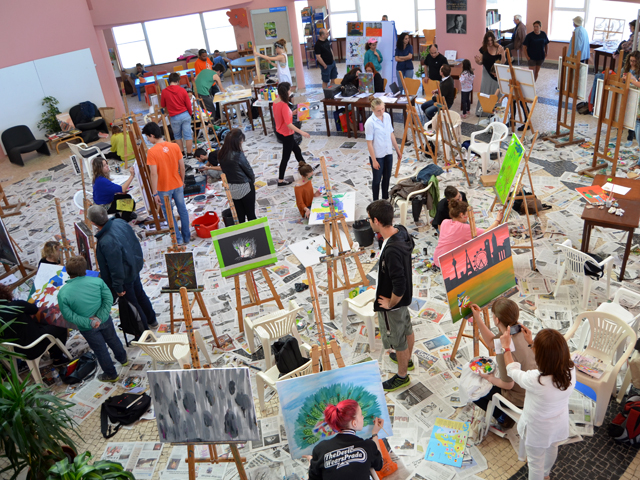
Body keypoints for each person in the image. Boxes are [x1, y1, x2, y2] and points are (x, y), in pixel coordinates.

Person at [500, 328, 576, 480]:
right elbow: (550, 356)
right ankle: (546, 474)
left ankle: (541, 476)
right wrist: (532, 342)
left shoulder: (536, 379)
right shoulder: (570, 369)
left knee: (535, 463)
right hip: (558, 423)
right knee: (552, 448)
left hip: (538, 429)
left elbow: (511, 369)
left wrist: (506, 347)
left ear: (540, 357)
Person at [367, 200, 414, 391]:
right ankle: (407, 360)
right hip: (404, 302)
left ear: (376, 221)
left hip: (395, 304)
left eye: (370, 219)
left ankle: (402, 376)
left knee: (398, 339)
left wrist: (391, 303)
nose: (369, 222)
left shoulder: (392, 251)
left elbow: (399, 285)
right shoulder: (401, 231)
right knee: (407, 328)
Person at [87, 205, 158, 330]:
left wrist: (118, 287)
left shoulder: (106, 241)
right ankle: (152, 320)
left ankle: (143, 332)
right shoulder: (120, 222)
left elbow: (115, 266)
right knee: (140, 294)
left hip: (125, 275)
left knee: (132, 303)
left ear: (93, 223)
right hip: (133, 265)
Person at [58, 256, 127, 382]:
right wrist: (100, 317)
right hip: (105, 320)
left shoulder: (63, 293)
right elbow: (108, 299)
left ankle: (111, 375)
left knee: (100, 350)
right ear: (85, 269)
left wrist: (90, 322)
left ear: (68, 272)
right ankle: (123, 359)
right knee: (113, 340)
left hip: (87, 327)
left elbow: (68, 316)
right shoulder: (98, 282)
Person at [469, 300, 537, 429]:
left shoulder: (504, 347)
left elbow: (508, 384)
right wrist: (477, 317)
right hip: (533, 389)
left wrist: (488, 378)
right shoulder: (521, 330)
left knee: (473, 390)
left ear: (496, 320)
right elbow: (491, 342)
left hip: (520, 399)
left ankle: (502, 416)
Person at [308, 400, 384, 479]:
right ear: (354, 423)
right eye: (361, 415)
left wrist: (311, 461)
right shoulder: (368, 446)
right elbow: (379, 464)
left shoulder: (321, 449)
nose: (363, 417)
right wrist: (375, 433)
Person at [142, 122, 191, 245]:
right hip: (177, 184)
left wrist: (154, 193)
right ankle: (187, 237)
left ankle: (178, 239)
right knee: (182, 210)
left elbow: (154, 174)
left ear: (152, 135)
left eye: (148, 137)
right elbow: (182, 167)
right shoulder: (174, 146)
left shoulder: (152, 152)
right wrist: (182, 180)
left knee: (169, 214)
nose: (148, 139)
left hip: (163, 188)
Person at [0, 284, 69, 367]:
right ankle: (57, 358)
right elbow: (34, 309)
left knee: (40, 325)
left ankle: (54, 353)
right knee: (60, 325)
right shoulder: (16, 305)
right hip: (34, 347)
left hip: (16, 352)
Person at [432, 199, 503, 267]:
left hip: (437, 258)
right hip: (447, 265)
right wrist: (497, 220)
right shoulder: (464, 228)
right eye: (467, 214)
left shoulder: (445, 222)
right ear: (461, 215)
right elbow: (486, 232)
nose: (468, 216)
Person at [274, 82, 310, 186]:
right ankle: (280, 180)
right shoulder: (284, 105)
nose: (291, 92)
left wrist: (292, 112)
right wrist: (302, 132)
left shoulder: (276, 101)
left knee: (297, 150)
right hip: (286, 134)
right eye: (290, 90)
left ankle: (306, 170)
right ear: (286, 92)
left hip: (280, 131)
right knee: (285, 157)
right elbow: (288, 124)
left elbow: (282, 114)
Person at [365, 98, 401, 201]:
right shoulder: (370, 123)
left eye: (383, 109)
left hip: (388, 153)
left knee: (387, 177)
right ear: (373, 110)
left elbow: (391, 134)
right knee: (376, 180)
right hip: (377, 155)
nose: (381, 112)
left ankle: (385, 198)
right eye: (378, 110)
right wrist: (374, 160)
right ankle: (376, 201)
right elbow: (369, 143)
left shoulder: (387, 117)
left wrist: (397, 150)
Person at [218, 129, 256, 222]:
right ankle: (257, 235)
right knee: (251, 215)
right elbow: (249, 171)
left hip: (231, 188)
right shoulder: (238, 155)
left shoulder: (221, 154)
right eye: (241, 140)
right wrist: (252, 180)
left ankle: (243, 235)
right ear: (237, 141)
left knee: (240, 216)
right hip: (245, 187)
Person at [160, 72, 193, 158]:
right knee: (188, 135)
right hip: (185, 114)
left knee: (177, 136)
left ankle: (181, 153)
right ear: (178, 81)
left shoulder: (164, 91)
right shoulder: (182, 90)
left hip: (174, 117)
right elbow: (188, 104)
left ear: (169, 81)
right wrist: (189, 114)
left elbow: (163, 105)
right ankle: (189, 153)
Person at [474, 31, 505, 116]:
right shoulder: (483, 49)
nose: (490, 42)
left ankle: (496, 113)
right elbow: (481, 62)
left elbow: (503, 62)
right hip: (486, 73)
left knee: (496, 93)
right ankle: (483, 111)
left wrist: (502, 54)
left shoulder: (499, 48)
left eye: (491, 40)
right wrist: (478, 62)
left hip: (496, 73)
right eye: (488, 41)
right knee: (485, 91)